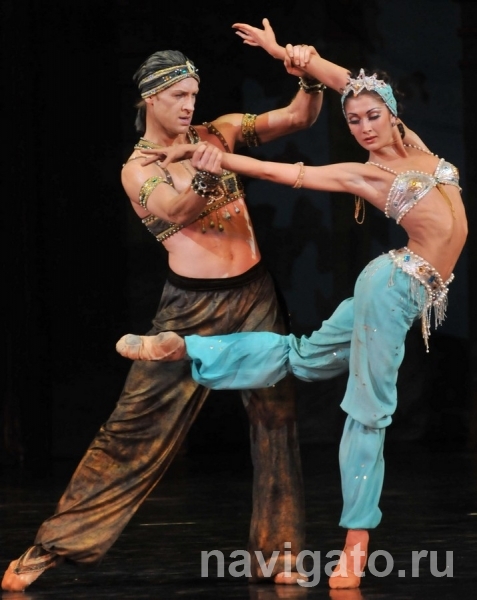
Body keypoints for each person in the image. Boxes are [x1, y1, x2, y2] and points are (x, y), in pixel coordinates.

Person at [114, 20, 468, 590]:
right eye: (353, 122)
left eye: (371, 116)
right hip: (391, 288)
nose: (363, 127)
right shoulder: (365, 173)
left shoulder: (417, 148)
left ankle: (190, 348)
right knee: (369, 410)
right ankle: (355, 547)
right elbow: (280, 171)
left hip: (394, 285)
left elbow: (351, 83)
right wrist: (219, 160)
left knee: (302, 359)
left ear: (392, 112)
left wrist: (291, 55)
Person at [1, 24, 325, 593]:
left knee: (275, 421)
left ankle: (279, 553)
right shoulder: (139, 168)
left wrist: (308, 77)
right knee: (135, 428)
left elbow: (296, 118)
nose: (189, 105)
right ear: (151, 98)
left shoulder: (218, 131)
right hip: (190, 309)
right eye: (178, 95)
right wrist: (208, 168)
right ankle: (52, 548)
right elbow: (176, 210)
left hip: (255, 297)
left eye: (194, 95)